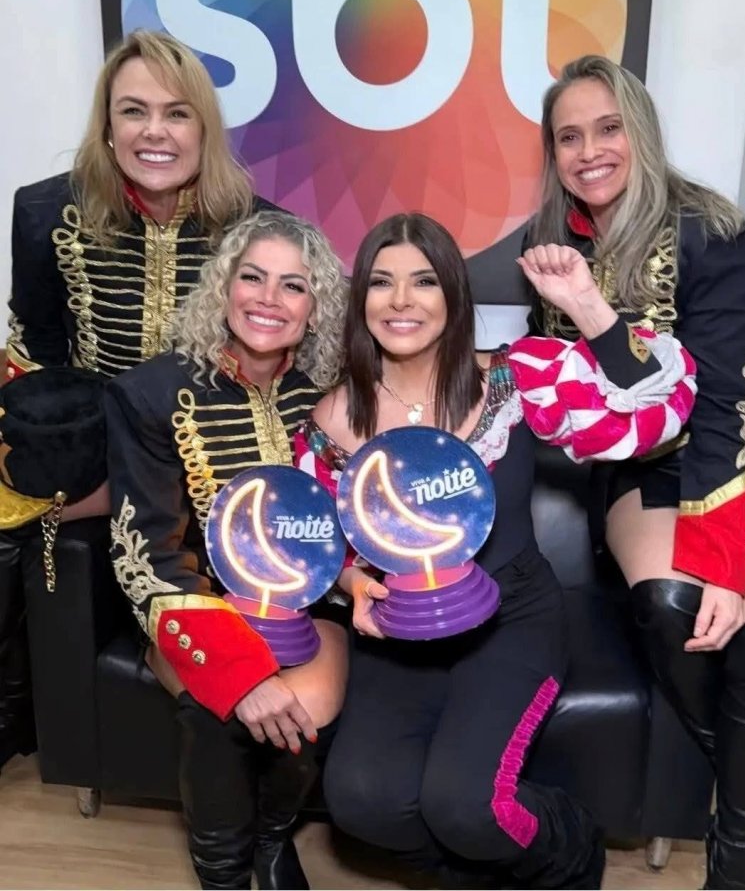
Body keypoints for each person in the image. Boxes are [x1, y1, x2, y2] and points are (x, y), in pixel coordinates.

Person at [297, 212, 696, 889]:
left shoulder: (514, 379)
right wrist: (355, 586)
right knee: (362, 802)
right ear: (359, 297)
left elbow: (656, 409)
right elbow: (327, 545)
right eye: (382, 282)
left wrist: (584, 304)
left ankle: (572, 851)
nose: (401, 300)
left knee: (467, 808)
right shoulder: (331, 420)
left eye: (424, 281)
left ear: (453, 294)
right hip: (401, 634)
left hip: (511, 620)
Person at [1, 29, 274, 776]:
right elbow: (36, 357)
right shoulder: (43, 211)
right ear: (107, 125)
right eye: (134, 111)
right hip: (93, 455)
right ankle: (15, 718)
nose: (155, 131)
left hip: (208, 460)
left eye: (176, 113)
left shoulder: (258, 225)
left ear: (204, 128)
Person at [524, 53, 745, 890]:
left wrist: (726, 559)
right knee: (670, 603)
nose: (589, 152)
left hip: (732, 455)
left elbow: (723, 402)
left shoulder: (713, 233)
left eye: (607, 128)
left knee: (738, 621)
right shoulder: (547, 246)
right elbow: (578, 396)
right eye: (568, 137)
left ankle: (735, 852)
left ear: (641, 132)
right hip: (639, 472)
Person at [106, 211, 348, 890]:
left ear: (315, 307)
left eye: (293, 286)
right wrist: (241, 673)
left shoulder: (333, 391)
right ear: (223, 286)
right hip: (196, 602)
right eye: (253, 278)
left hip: (312, 604)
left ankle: (270, 840)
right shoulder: (149, 393)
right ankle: (222, 876)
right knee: (220, 705)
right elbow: (146, 555)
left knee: (300, 711)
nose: (269, 299)